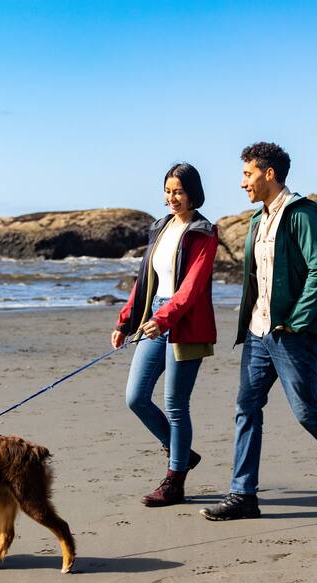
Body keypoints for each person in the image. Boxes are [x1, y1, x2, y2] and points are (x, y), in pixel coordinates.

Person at [201, 142, 317, 521]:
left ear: (269, 174)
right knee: (246, 407)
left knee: (306, 411)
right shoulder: (257, 219)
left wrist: (296, 320)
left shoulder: (302, 214)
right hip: (257, 332)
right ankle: (243, 494)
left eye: (247, 174)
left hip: (291, 332)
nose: (242, 183)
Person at [112, 162, 219, 507]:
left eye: (179, 191)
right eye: (168, 191)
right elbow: (145, 280)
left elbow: (192, 287)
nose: (172, 197)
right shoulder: (160, 228)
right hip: (155, 315)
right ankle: (182, 453)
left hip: (184, 322)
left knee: (175, 404)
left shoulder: (203, 232)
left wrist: (166, 317)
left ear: (193, 193)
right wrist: (125, 321)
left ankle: (175, 479)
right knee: (136, 398)